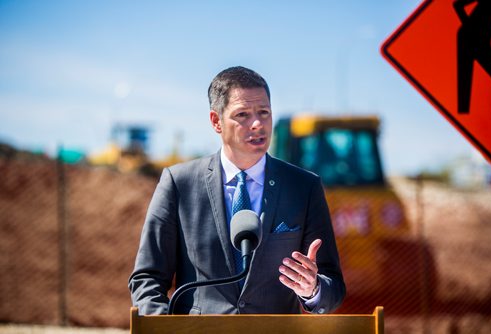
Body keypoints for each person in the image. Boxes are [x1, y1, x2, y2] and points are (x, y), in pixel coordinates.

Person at [128, 66, 345, 315]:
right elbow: (147, 278)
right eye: (242, 114)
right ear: (216, 121)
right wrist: (163, 328)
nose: (257, 124)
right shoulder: (179, 183)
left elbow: (334, 288)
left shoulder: (303, 187)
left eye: (264, 112)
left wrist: (313, 289)